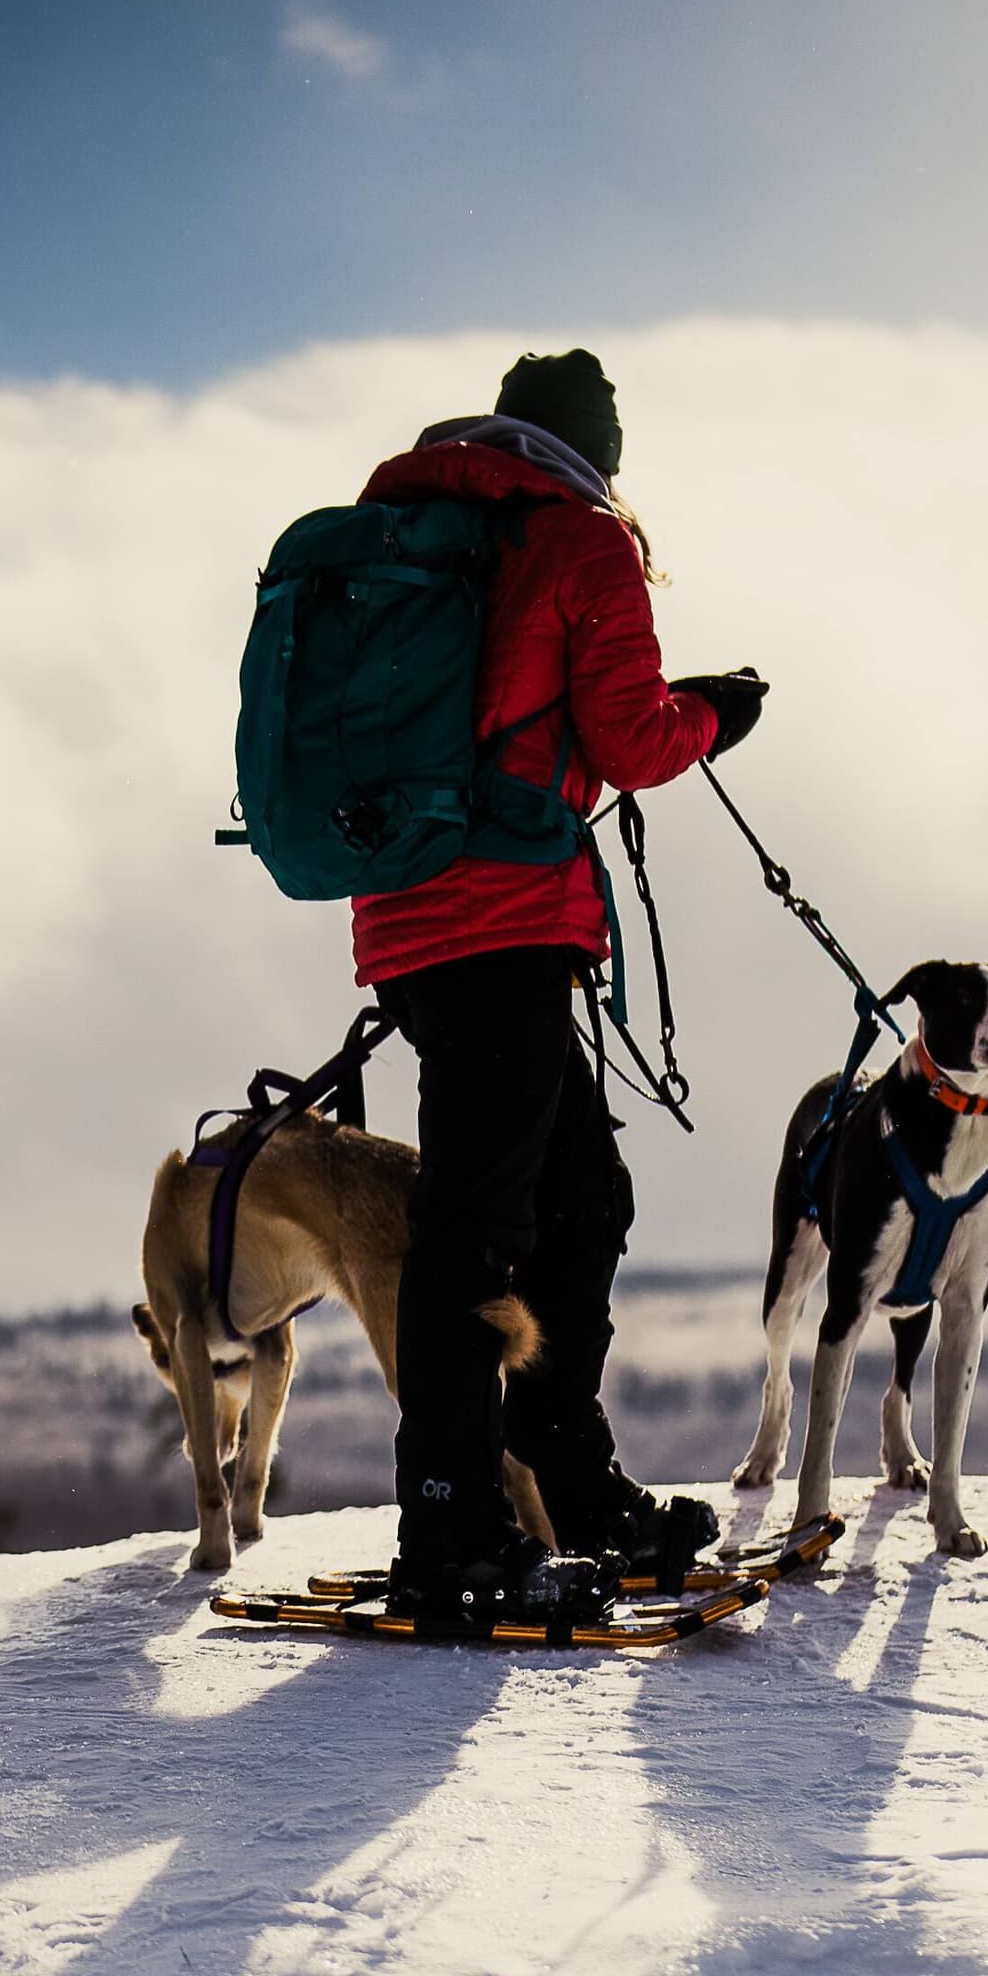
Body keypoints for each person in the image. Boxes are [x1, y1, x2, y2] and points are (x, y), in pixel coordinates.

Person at [356, 349, 764, 1627]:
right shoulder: (580, 537)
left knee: (581, 1202)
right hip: (505, 918)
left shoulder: (409, 525)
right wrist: (717, 714)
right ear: (598, 447)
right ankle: (451, 1525)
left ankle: (578, 1492)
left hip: (414, 914)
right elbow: (635, 741)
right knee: (479, 1232)